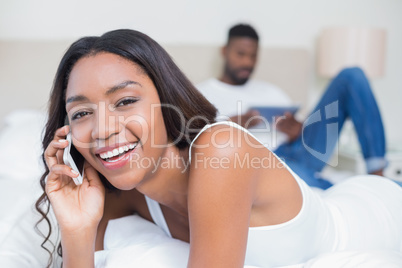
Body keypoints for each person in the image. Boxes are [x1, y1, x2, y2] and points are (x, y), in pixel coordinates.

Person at [35, 29, 402, 268]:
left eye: (126, 100)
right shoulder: (116, 196)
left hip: (377, 214)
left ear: (167, 101)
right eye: (82, 112)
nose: (103, 129)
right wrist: (77, 229)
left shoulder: (220, 149)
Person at [197, 24, 388, 189]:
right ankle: (346, 189)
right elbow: (193, 144)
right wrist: (229, 126)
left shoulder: (272, 91)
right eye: (241, 54)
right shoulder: (202, 93)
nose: (247, 62)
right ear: (224, 51)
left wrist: (297, 129)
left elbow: (308, 135)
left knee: (352, 75)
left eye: (253, 56)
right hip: (261, 163)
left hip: (299, 152)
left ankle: (378, 175)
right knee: (293, 177)